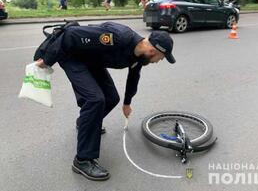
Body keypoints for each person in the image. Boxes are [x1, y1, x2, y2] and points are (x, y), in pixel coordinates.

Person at [35, 21, 175, 181]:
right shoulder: (119, 37)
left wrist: (127, 103)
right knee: (95, 100)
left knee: (111, 98)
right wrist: (47, 60)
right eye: (160, 58)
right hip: (72, 55)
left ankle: (85, 122)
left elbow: (134, 77)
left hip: (92, 61)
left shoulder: (138, 56)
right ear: (152, 50)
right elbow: (71, 35)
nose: (157, 62)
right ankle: (82, 160)